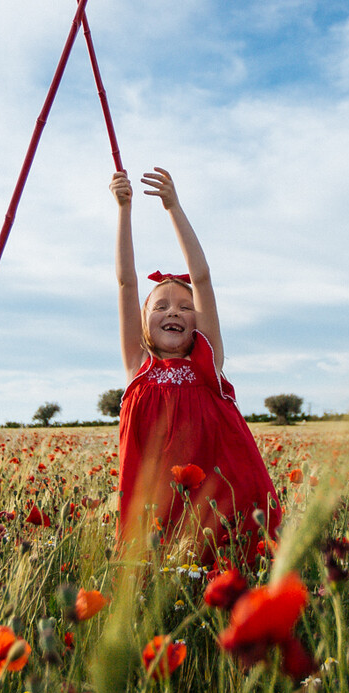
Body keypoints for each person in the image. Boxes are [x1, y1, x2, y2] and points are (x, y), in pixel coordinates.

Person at [111, 168, 280, 561]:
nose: (175, 312)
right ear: (143, 320)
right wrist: (124, 210)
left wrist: (174, 207)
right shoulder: (139, 364)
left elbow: (202, 278)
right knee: (157, 566)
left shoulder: (208, 358)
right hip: (158, 501)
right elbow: (126, 283)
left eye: (186, 308)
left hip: (216, 500)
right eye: (162, 306)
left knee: (225, 561)